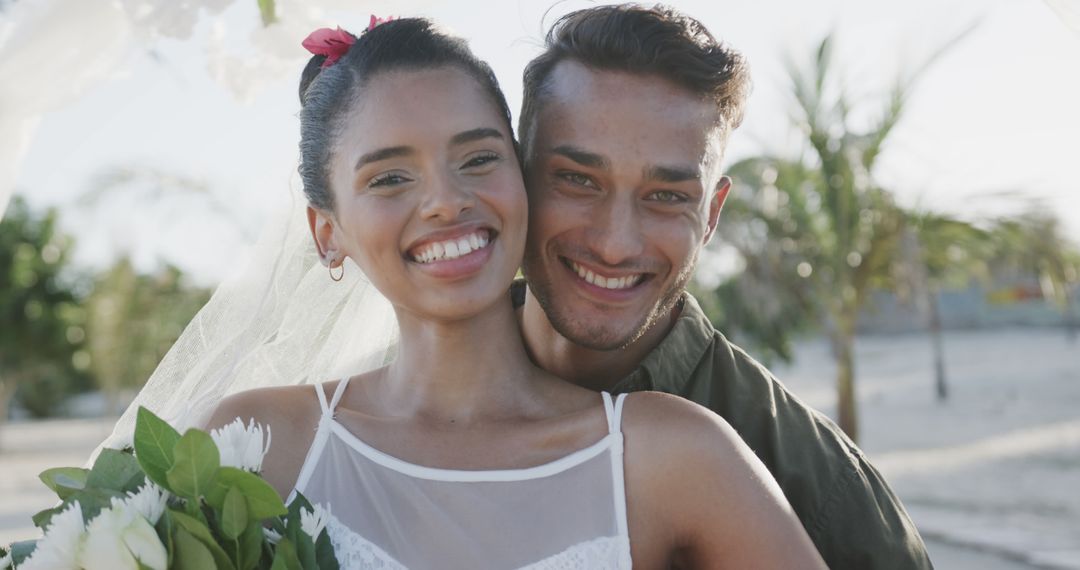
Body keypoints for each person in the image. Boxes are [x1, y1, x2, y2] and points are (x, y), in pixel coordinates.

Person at [207, 18, 826, 570]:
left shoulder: (673, 455)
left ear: (521, 176)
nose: (447, 201)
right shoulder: (257, 444)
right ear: (327, 232)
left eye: (477, 159)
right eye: (390, 177)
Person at [513, 5, 933, 569]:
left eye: (667, 195)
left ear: (711, 215)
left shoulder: (817, 486)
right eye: (578, 180)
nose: (615, 244)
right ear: (516, 177)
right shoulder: (398, 384)